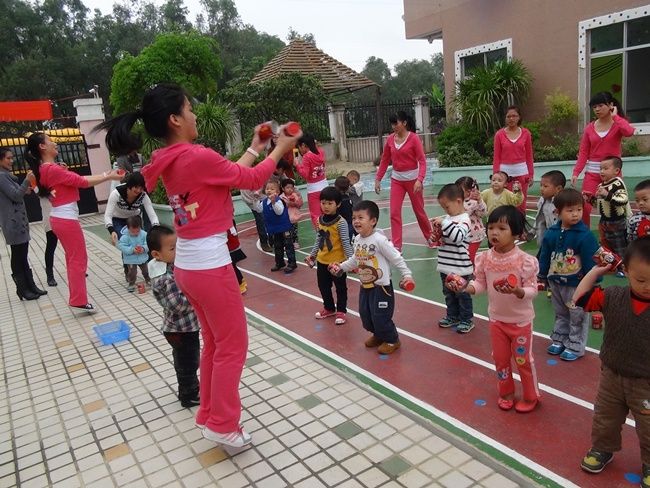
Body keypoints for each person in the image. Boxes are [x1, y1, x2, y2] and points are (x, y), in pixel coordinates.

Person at [98, 83, 300, 447]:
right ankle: (223, 423)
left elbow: (231, 174)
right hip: (210, 266)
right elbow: (254, 180)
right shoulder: (197, 156)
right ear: (175, 119)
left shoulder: (172, 158)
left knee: (215, 343)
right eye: (189, 109)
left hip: (189, 266)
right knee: (233, 346)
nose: (194, 114)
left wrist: (256, 147)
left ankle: (209, 413)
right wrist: (281, 148)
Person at [571, 237, 650, 487]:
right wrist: (596, 271)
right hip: (612, 376)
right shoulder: (613, 296)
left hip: (646, 383)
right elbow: (580, 298)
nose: (648, 286)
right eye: (641, 280)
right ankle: (602, 449)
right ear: (625, 270)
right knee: (605, 418)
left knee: (648, 426)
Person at [453, 205, 540, 413]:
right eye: (491, 227)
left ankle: (531, 396)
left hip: (520, 322)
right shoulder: (485, 258)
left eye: (502, 228)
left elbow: (533, 290)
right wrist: (466, 288)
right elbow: (480, 284)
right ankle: (506, 393)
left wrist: (518, 291)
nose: (494, 232)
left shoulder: (525, 261)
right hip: (497, 321)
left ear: (516, 233)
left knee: (523, 361)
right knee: (500, 360)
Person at [26, 132, 122, 312]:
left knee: (73, 258)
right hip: (66, 219)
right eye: (50, 140)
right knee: (78, 259)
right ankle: (78, 300)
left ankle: (77, 298)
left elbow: (73, 181)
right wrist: (108, 175)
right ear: (42, 146)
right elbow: (81, 182)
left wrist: (105, 175)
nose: (54, 143)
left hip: (60, 218)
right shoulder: (52, 169)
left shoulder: (46, 169)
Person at [331, 200, 414, 355]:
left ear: (373, 221)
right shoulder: (357, 239)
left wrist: (407, 274)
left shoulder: (379, 240)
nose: (356, 221)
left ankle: (392, 340)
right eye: (354, 218)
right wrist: (341, 267)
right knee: (366, 315)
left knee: (380, 316)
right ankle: (378, 335)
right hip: (365, 286)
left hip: (381, 287)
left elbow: (396, 257)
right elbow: (355, 259)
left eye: (360, 217)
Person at [537, 189, 600, 361]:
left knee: (577, 314)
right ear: (557, 212)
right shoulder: (552, 233)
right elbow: (545, 255)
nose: (575, 214)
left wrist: (594, 281)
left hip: (576, 284)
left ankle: (575, 345)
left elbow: (591, 259)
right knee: (561, 312)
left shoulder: (585, 235)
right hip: (556, 281)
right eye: (570, 210)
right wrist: (542, 274)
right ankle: (559, 339)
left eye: (579, 209)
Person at [147, 225, 200, 408]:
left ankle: (190, 389)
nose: (177, 251)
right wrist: (198, 296)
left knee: (188, 359)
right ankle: (188, 395)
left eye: (178, 246)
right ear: (156, 254)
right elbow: (177, 305)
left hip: (185, 327)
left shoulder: (168, 265)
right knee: (188, 362)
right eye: (172, 248)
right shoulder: (164, 278)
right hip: (180, 330)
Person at [571, 92, 635, 226]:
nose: (597, 109)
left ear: (611, 105)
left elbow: (629, 132)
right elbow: (583, 152)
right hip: (592, 173)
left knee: (615, 205)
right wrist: (576, 172)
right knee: (585, 206)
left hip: (613, 173)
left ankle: (618, 233)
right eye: (594, 107)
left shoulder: (618, 123)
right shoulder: (589, 128)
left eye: (600, 105)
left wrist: (615, 117)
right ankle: (584, 234)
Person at [374, 111, 433, 252]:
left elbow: (422, 161)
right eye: (392, 124)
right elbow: (385, 160)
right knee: (394, 212)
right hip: (397, 180)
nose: (394, 126)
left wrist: (419, 180)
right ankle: (397, 245)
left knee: (419, 211)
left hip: (413, 181)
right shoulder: (390, 139)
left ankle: (430, 237)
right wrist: (378, 178)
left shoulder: (414, 139)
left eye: (396, 123)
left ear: (404, 123)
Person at [0, 147, 45, 301]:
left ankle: (30, 286)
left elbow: (14, 194)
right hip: (12, 223)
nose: (11, 161)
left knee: (23, 255)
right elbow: (15, 196)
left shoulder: (7, 176)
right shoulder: (1, 176)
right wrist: (26, 180)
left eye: (12, 158)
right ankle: (22, 289)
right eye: (8, 158)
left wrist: (24, 189)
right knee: (18, 255)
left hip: (18, 221)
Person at [305, 186, 354, 325]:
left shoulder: (341, 222)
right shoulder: (320, 220)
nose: (326, 206)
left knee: (340, 288)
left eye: (330, 203)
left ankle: (341, 311)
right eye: (323, 203)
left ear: (338, 204)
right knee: (323, 286)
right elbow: (318, 240)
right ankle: (329, 308)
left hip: (338, 263)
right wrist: (313, 256)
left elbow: (346, 242)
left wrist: (352, 262)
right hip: (322, 261)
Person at [433, 184, 474, 333]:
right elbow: (445, 238)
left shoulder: (465, 220)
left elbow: (457, 237)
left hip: (460, 267)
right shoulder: (448, 218)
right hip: (445, 266)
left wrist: (444, 223)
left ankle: (466, 319)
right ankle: (453, 316)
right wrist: (436, 236)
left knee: (462, 295)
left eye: (447, 206)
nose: (445, 210)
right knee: (449, 295)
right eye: (443, 207)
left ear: (458, 201)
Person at [105, 172, 160, 280]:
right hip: (118, 220)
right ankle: (129, 269)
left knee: (141, 241)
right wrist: (112, 230)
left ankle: (147, 270)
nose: (138, 190)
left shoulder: (143, 195)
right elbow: (107, 215)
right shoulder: (116, 193)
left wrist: (156, 228)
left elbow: (152, 215)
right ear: (129, 185)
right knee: (126, 241)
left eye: (141, 188)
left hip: (134, 219)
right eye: (136, 187)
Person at [591, 156, 631, 274]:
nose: (602, 171)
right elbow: (599, 204)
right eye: (600, 168)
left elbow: (623, 200)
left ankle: (623, 268)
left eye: (605, 168)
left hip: (616, 221)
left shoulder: (617, 184)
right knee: (606, 244)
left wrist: (606, 194)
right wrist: (591, 199)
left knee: (619, 245)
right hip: (604, 221)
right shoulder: (601, 185)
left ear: (616, 171)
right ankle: (611, 265)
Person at [492, 106, 534, 214]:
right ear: (505, 118)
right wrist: (496, 176)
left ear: (519, 117)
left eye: (514, 116)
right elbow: (496, 157)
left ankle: (520, 224)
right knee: (505, 203)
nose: (511, 119)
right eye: (508, 116)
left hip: (522, 174)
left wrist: (531, 175)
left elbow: (529, 156)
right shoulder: (499, 135)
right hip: (504, 175)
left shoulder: (526, 133)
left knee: (520, 204)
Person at [257, 178, 297, 274]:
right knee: (277, 246)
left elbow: (279, 212)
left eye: (272, 189)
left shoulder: (279, 201)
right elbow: (258, 209)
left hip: (284, 227)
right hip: (275, 229)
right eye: (267, 189)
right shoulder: (264, 202)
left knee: (288, 245)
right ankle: (280, 262)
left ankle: (292, 263)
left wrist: (273, 202)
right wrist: (256, 199)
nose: (269, 190)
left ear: (278, 192)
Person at [294, 133, 327, 230]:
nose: (299, 149)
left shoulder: (307, 157)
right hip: (324, 185)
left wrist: (297, 165)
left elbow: (305, 174)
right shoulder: (321, 152)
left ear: (303, 145)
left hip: (313, 189)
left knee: (316, 215)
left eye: (299, 147)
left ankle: (320, 235)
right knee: (327, 211)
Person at [455, 176, 487, 264]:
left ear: (469, 191)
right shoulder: (457, 201)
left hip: (474, 235)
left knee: (469, 257)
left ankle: (473, 271)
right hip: (462, 235)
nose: (457, 191)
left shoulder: (474, 202)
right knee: (463, 256)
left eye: (460, 190)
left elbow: (483, 213)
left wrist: (479, 200)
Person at [116, 215, 150, 292]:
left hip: (142, 257)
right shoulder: (125, 237)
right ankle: (131, 283)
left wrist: (143, 248)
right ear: (128, 229)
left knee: (145, 270)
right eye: (133, 231)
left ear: (140, 227)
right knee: (132, 272)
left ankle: (148, 279)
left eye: (137, 231)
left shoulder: (144, 234)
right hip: (130, 259)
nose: (135, 233)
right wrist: (132, 250)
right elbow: (121, 246)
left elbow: (148, 243)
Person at [535, 170, 566, 247]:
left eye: (545, 186)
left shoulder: (564, 203)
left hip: (563, 238)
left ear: (558, 189)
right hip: (549, 238)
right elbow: (539, 219)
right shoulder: (542, 200)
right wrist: (532, 232)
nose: (541, 189)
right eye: (541, 185)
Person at [240, 187, 272, 252]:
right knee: (260, 219)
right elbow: (247, 197)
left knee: (271, 217)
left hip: (264, 196)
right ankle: (264, 242)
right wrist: (254, 201)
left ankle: (272, 239)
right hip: (252, 199)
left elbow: (265, 184)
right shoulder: (244, 187)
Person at [280, 178, 303, 249]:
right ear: (283, 188)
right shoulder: (281, 197)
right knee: (286, 232)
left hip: (294, 217)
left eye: (291, 188)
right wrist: (287, 203)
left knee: (294, 231)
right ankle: (287, 243)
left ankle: (295, 242)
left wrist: (294, 202)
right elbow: (280, 207)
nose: (290, 189)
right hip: (285, 218)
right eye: (287, 188)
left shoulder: (295, 195)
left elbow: (299, 204)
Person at [226, 222, 247, 294]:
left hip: (230, 246)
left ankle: (240, 283)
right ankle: (241, 280)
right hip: (230, 245)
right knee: (232, 265)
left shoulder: (226, 222)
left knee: (232, 266)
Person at [334, 175, 353, 241]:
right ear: (347, 188)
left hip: (339, 225)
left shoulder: (336, 200)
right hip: (349, 224)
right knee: (348, 241)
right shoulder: (348, 199)